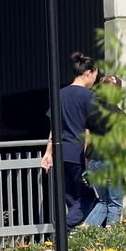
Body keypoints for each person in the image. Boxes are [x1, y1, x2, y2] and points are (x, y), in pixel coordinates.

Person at [41, 52, 99, 231]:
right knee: (89, 198)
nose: (96, 79)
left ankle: (69, 242)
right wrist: (88, 158)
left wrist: (48, 153)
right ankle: (63, 227)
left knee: (71, 198)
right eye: (96, 74)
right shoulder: (88, 97)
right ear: (88, 73)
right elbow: (89, 130)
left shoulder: (60, 94)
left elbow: (54, 128)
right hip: (78, 153)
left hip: (60, 154)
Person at [84, 75, 124, 226]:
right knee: (115, 204)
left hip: (94, 161)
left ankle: (83, 232)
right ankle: (111, 241)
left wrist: (87, 165)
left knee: (103, 202)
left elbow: (87, 141)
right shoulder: (119, 115)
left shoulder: (92, 113)